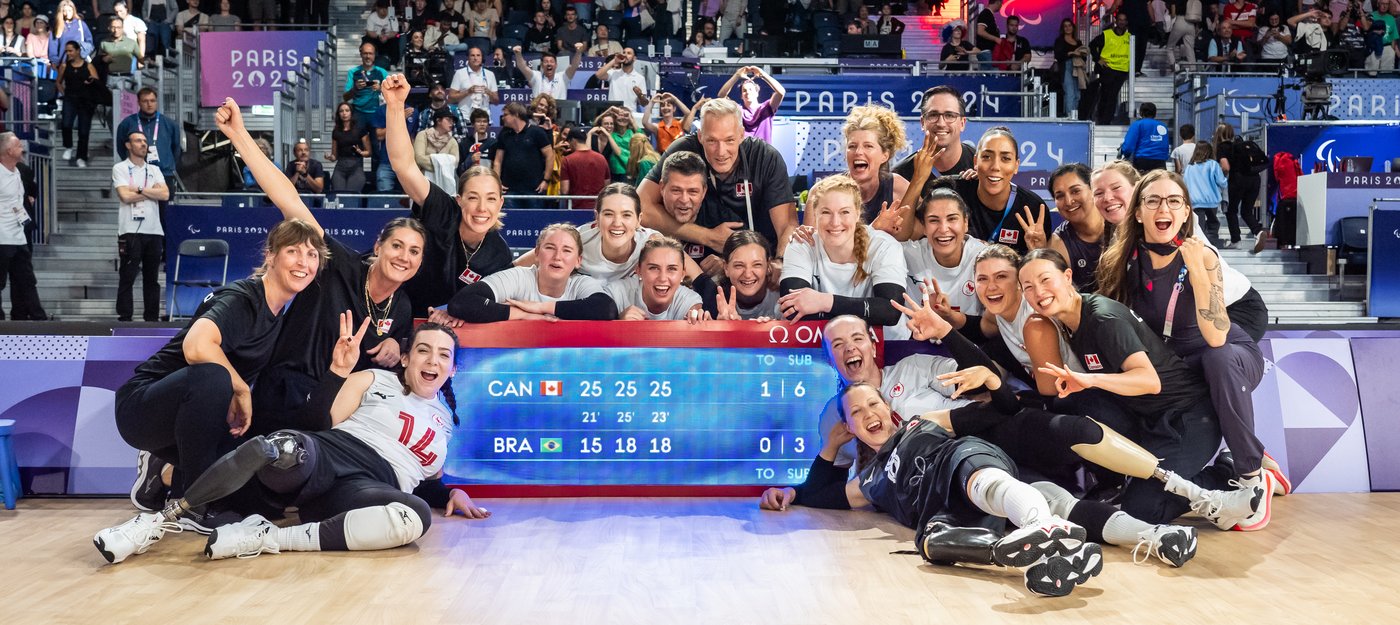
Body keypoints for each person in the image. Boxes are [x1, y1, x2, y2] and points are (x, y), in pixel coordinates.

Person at [95, 321, 489, 565]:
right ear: (405, 358)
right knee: (282, 451)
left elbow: (428, 481)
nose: (432, 360)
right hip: (331, 452)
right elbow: (317, 421)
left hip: (368, 487)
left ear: (453, 368)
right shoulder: (377, 380)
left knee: (414, 516)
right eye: (423, 350)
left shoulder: (445, 424)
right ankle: (160, 513)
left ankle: (269, 538)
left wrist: (453, 491)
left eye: (443, 355)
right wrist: (338, 372)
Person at [213, 98, 426, 438]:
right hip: (284, 390)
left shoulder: (401, 307)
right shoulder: (339, 262)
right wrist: (239, 134)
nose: (404, 256)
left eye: (414, 251)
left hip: (336, 409)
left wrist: (397, 346)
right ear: (378, 247)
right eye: (397, 246)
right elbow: (290, 201)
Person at [1021, 248, 1273, 528]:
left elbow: (1148, 381)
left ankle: (1224, 472)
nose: (1038, 292)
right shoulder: (1070, 323)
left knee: (1142, 509)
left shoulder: (1102, 317)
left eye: (1045, 280)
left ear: (1067, 277)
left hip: (1187, 419)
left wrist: (1090, 380)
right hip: (1152, 420)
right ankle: (1117, 483)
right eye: (1028, 287)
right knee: (1078, 406)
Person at [113, 217, 326, 531]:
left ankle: (166, 475)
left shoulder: (279, 311)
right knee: (214, 376)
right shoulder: (243, 299)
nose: (304, 262)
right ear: (271, 255)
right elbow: (196, 346)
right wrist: (240, 389)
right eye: (293, 251)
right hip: (142, 407)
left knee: (256, 493)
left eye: (312, 255)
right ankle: (193, 504)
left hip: (189, 421)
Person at [384, 74, 513, 312]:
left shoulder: (499, 254)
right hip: (396, 312)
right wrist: (395, 105)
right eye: (473, 197)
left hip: (445, 327)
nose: (482, 208)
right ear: (459, 199)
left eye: (491, 199)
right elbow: (404, 165)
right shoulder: (443, 210)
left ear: (500, 203)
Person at [639, 98, 795, 261]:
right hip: (700, 260)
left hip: (761, 261)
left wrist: (780, 262)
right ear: (700, 136)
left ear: (741, 135)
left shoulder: (764, 157)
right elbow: (640, 207)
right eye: (712, 141)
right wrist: (708, 237)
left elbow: (787, 226)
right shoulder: (683, 150)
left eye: (729, 140)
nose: (721, 152)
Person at [778, 174, 906, 326]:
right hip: (823, 342)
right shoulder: (802, 244)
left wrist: (825, 301)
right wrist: (869, 309)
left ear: (857, 213)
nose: (835, 222)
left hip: (884, 344)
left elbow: (890, 312)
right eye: (826, 212)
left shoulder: (884, 246)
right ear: (815, 214)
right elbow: (792, 310)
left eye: (844, 212)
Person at [448, 222, 618, 322]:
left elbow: (607, 309)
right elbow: (462, 303)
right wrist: (524, 315)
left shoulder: (581, 283)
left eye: (567, 250)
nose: (557, 256)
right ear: (537, 253)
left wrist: (540, 308)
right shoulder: (519, 277)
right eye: (550, 248)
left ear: (578, 261)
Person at [923, 127, 1048, 255]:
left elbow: (1041, 267)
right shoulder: (952, 192)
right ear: (975, 161)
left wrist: (1038, 251)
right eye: (987, 157)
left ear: (1016, 165)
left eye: (1005, 158)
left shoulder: (1033, 208)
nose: (995, 167)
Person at [517, 183, 658, 281]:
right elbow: (519, 265)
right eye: (608, 214)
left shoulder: (652, 244)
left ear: (638, 220)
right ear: (597, 218)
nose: (617, 223)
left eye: (626, 215)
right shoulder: (578, 239)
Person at [899, 188, 989, 336]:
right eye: (934, 220)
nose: (943, 229)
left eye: (952, 219)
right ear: (924, 226)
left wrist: (950, 317)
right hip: (918, 347)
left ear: (965, 222)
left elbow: (993, 328)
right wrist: (877, 229)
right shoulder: (906, 254)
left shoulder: (984, 259)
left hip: (972, 346)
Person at [893, 86, 976, 220]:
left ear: (962, 123)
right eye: (933, 115)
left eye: (949, 115)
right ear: (922, 122)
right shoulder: (901, 174)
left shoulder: (981, 164)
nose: (941, 123)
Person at [112, 130, 168, 322]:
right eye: (138, 141)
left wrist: (139, 189)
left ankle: (151, 318)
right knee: (128, 275)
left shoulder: (154, 169)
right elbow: (125, 196)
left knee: (152, 278)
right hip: (130, 230)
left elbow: (165, 194)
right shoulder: (120, 168)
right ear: (128, 145)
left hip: (154, 230)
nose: (143, 144)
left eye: (145, 141)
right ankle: (125, 316)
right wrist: (152, 191)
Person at [841, 104, 909, 233]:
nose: (858, 152)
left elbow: (925, 227)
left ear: (885, 155)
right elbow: (814, 247)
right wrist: (875, 229)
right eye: (852, 146)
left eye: (868, 146)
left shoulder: (899, 187)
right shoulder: (824, 192)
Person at [605, 236, 705, 321]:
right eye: (654, 268)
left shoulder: (689, 300)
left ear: (682, 274)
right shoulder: (616, 293)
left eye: (671, 269)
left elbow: (696, 319)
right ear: (638, 271)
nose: (662, 278)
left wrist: (702, 323)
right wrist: (617, 322)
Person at [0, 132, 45, 321]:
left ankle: (38, 319)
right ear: (9, 151)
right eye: (18, 145)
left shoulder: (22, 171)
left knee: (27, 281)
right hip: (1, 238)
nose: (23, 148)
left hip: (19, 237)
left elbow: (30, 191)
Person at [1047, 164, 1107, 292]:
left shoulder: (1121, 226)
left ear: (1093, 190)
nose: (1068, 201)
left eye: (1075, 191)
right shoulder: (1057, 244)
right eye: (1060, 196)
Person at [697, 229, 779, 320]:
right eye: (739, 265)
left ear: (768, 266)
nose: (748, 274)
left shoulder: (783, 291)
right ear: (726, 268)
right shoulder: (711, 293)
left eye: (757, 265)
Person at [115, 90, 181, 189]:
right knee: (139, 202)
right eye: (145, 101)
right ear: (138, 103)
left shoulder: (170, 124)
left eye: (152, 101)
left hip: (164, 174)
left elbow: (176, 149)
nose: (149, 104)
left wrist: (168, 166)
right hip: (137, 173)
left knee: (164, 203)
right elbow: (121, 147)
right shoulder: (127, 123)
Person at [654, 151, 710, 264]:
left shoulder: (723, 221)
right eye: (676, 190)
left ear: (704, 192)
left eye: (693, 191)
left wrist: (725, 262)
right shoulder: (642, 230)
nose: (684, 200)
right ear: (662, 188)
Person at [492, 102, 554, 204]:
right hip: (509, 189)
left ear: (516, 114)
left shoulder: (537, 132)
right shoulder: (504, 134)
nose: (503, 118)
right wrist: (497, 182)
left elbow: (550, 156)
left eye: (505, 115)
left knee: (534, 219)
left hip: (534, 189)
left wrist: (546, 180)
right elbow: (497, 161)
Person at [57, 40, 99, 168]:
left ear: (78, 51)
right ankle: (68, 146)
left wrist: (91, 83)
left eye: (70, 50)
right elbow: (58, 82)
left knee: (84, 131)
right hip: (70, 98)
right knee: (66, 124)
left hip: (86, 101)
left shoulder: (88, 66)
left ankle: (81, 157)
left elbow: (97, 82)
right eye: (67, 51)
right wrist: (64, 93)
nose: (68, 53)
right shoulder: (65, 66)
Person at [716, 65, 784, 142]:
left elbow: (781, 92)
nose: (747, 92)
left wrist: (763, 75)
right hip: (743, 151)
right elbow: (721, 96)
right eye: (744, 90)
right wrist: (736, 76)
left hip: (763, 152)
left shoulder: (767, 107)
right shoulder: (737, 110)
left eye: (750, 89)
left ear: (757, 93)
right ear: (741, 96)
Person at [1090, 11, 1132, 125]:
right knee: (1106, 94)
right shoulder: (1107, 34)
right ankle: (1102, 119)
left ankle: (1105, 120)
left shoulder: (1130, 37)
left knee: (1112, 95)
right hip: (1108, 69)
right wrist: (1098, 59)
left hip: (1122, 70)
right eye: (1120, 19)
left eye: (1124, 20)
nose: (1122, 22)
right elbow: (1092, 45)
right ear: (1116, 21)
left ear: (1127, 22)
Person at [1183, 142, 1227, 246]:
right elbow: (1222, 182)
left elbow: (1185, 183)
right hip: (1211, 200)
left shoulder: (1190, 167)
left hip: (1195, 201)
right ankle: (1212, 243)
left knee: (1199, 224)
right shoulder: (1213, 164)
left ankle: (1199, 243)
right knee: (1213, 222)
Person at [559, 128, 610, 210]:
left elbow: (565, 190)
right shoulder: (601, 158)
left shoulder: (567, 160)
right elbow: (607, 185)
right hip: (598, 208)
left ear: (573, 141)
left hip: (576, 208)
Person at [327, 102, 371, 197]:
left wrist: (361, 152)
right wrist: (330, 157)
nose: (344, 113)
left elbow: (369, 152)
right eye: (341, 111)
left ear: (351, 113)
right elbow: (334, 156)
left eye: (347, 110)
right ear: (338, 114)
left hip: (356, 165)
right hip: (340, 166)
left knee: (351, 197)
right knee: (337, 195)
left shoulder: (360, 129)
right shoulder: (336, 131)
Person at [514, 42, 583, 100]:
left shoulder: (563, 77)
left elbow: (574, 66)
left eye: (551, 61)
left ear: (556, 65)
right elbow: (523, 67)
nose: (549, 64)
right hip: (539, 110)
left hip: (558, 111)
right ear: (541, 65)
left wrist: (578, 52)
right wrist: (518, 54)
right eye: (546, 62)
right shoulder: (536, 76)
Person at [1120, 102, 1171, 174]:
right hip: (1160, 163)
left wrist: (1124, 152)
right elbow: (1165, 145)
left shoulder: (1137, 124)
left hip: (1142, 162)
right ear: (1155, 113)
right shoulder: (1163, 126)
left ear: (1141, 113)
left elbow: (1128, 146)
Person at [593, 46, 648, 112]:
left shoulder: (640, 78)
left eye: (629, 53)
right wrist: (615, 60)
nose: (625, 55)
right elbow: (598, 75)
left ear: (634, 58)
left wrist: (640, 95)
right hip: (613, 112)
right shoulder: (613, 73)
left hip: (629, 114)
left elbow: (644, 104)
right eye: (624, 52)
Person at [343, 43, 388, 126]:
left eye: (370, 53)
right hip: (358, 113)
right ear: (361, 54)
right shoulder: (353, 72)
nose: (368, 56)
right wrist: (355, 88)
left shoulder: (382, 72)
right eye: (365, 53)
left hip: (377, 113)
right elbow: (345, 97)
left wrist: (380, 89)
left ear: (374, 55)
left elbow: (392, 94)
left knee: (376, 139)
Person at [448, 47, 499, 116]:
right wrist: (468, 92)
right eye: (472, 55)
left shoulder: (490, 74)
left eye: (478, 55)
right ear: (468, 58)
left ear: (482, 58)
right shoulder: (459, 73)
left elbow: (496, 101)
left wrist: (488, 92)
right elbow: (451, 99)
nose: (475, 58)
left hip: (484, 118)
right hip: (465, 116)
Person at [1054, 18, 1088, 118]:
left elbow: (1084, 57)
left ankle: (1074, 115)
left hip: (1078, 68)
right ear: (1063, 28)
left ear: (1073, 27)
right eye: (1065, 26)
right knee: (1069, 93)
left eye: (1069, 25)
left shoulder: (1078, 41)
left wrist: (1080, 54)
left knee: (1077, 94)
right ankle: (1069, 116)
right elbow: (1058, 55)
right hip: (1066, 68)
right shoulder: (1060, 40)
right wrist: (1070, 54)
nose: (1068, 28)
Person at [1167, 0, 1202, 67]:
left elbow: (1173, 14)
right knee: (1190, 48)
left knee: (1169, 47)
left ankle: (1174, 67)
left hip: (1180, 21)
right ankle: (1193, 69)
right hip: (1191, 23)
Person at [973, 0, 1002, 68]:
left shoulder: (989, 14)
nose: (1001, 6)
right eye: (1001, 4)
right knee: (992, 74)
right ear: (998, 2)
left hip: (989, 52)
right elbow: (980, 31)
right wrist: (996, 39)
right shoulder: (986, 14)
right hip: (986, 52)